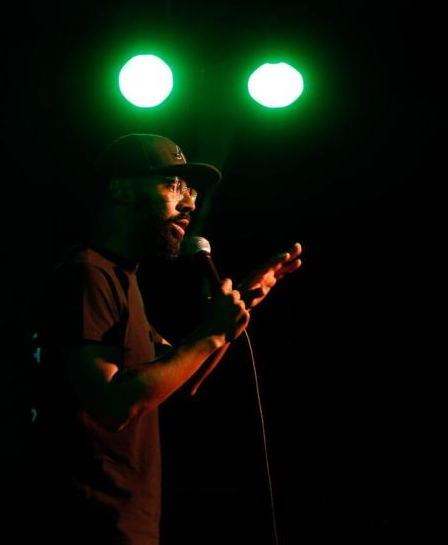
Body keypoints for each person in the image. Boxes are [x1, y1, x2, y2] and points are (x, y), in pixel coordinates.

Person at [31, 133, 302, 544]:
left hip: (129, 523)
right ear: (121, 188)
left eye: (190, 189)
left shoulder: (123, 278)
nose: (190, 202)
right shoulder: (88, 272)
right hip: (89, 523)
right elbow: (112, 402)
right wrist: (211, 333)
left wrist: (238, 309)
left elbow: (177, 380)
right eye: (173, 186)